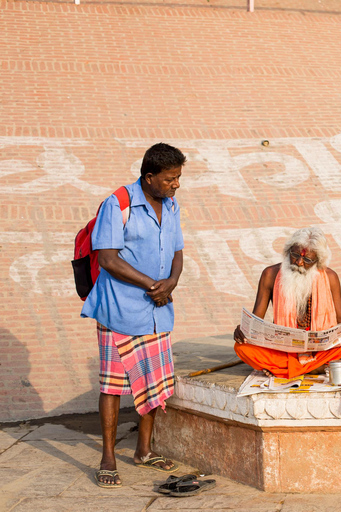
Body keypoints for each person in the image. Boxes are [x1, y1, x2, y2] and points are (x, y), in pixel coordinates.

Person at [81, 143, 186, 488]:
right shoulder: (118, 203)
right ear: (149, 177)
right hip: (119, 308)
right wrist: (152, 284)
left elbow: (177, 251)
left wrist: (170, 283)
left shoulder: (171, 205)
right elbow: (108, 258)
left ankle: (144, 450)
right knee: (112, 384)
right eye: (170, 179)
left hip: (157, 310)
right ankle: (108, 457)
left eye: (178, 178)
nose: (176, 185)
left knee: (153, 382)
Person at [233, 227, 341, 378]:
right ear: (287, 251)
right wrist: (244, 330)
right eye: (294, 255)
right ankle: (316, 368)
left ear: (318, 261)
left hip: (322, 350)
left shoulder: (330, 277)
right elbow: (256, 321)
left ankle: (287, 370)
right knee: (242, 347)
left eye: (307, 260)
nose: (299, 262)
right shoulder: (270, 274)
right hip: (284, 350)